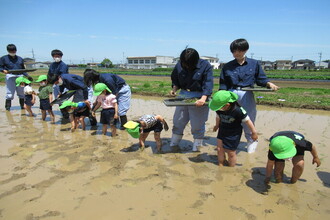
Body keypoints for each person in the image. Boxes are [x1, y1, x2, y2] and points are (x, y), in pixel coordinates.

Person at [219, 38, 279, 153]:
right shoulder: (227, 66)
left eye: (239, 50)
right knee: (231, 118)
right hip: (231, 93)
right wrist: (222, 98)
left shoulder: (254, 63)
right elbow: (223, 84)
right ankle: (231, 142)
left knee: (248, 118)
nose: (236, 53)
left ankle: (251, 140)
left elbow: (260, 79)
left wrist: (268, 83)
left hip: (247, 93)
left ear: (245, 50)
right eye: (234, 51)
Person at [169, 48, 213, 152]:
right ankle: (173, 144)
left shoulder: (205, 65)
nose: (187, 66)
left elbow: (208, 83)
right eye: (185, 64)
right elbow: (175, 79)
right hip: (183, 94)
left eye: (189, 64)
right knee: (178, 120)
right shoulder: (179, 64)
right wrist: (174, 89)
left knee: (197, 124)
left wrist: (203, 98)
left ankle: (196, 148)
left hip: (199, 96)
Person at [209, 90, 258, 167]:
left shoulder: (238, 110)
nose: (217, 109)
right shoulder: (219, 109)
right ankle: (221, 164)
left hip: (233, 134)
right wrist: (216, 125)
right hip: (222, 131)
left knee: (231, 153)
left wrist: (254, 133)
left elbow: (248, 121)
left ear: (227, 105)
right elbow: (218, 117)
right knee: (219, 149)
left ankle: (231, 168)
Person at [0, 44, 33, 111]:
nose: (13, 52)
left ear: (16, 50)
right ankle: (8, 108)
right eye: (11, 51)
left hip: (20, 77)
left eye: (14, 51)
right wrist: (3, 70)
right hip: (10, 76)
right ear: (8, 51)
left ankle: (22, 107)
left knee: (21, 93)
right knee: (10, 93)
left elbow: (23, 70)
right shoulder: (3, 58)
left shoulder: (20, 59)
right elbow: (0, 67)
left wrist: (27, 76)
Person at [47, 49, 69, 118]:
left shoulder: (63, 65)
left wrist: (57, 82)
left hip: (62, 84)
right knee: (58, 99)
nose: (57, 57)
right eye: (55, 56)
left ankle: (68, 114)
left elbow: (62, 76)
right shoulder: (52, 65)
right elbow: (49, 74)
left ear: (61, 57)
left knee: (63, 99)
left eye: (58, 56)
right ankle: (64, 114)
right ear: (53, 57)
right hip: (54, 84)